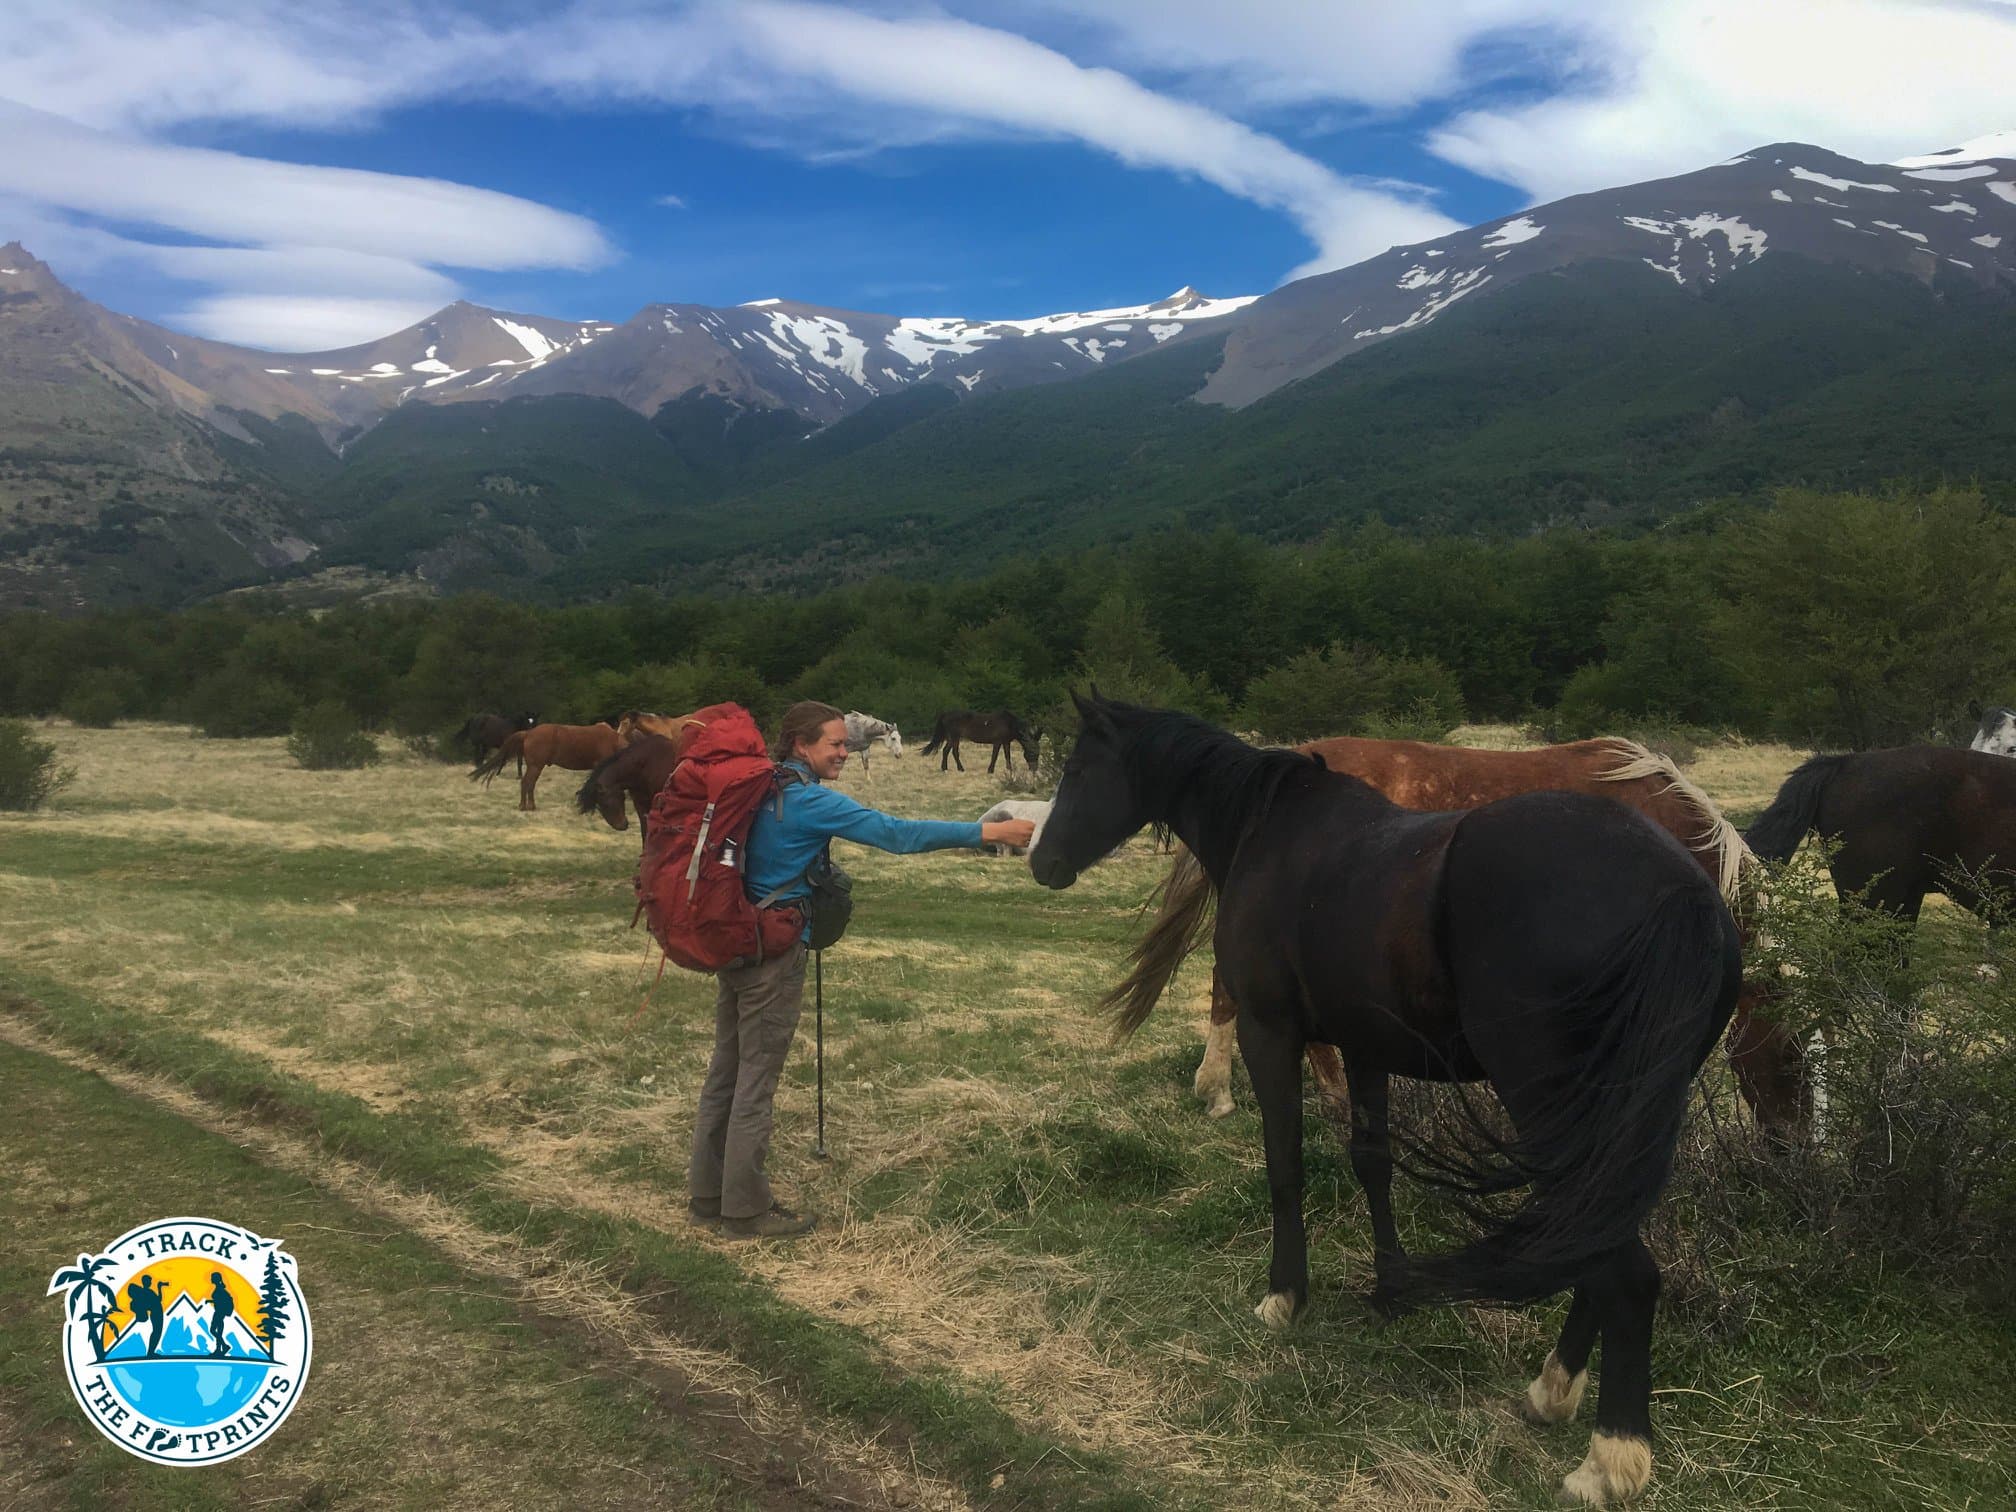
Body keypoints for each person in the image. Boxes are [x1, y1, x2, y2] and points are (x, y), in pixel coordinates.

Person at [689, 700, 1036, 1240]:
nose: (845, 751)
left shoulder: (761, 789)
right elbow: (897, 834)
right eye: (834, 743)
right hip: (774, 955)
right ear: (801, 746)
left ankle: (708, 1194)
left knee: (726, 1073)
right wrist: (988, 834)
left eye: (846, 742)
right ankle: (744, 1210)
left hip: (735, 942)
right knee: (755, 1082)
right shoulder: (804, 801)